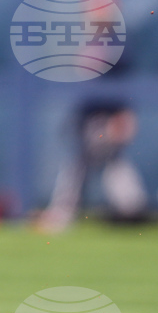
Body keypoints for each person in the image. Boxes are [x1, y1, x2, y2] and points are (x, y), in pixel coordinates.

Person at [38, 100, 149, 233]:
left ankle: (130, 218)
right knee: (73, 176)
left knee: (126, 195)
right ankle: (59, 218)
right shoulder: (85, 101)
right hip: (85, 146)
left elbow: (126, 125)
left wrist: (120, 125)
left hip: (112, 153)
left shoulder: (118, 95)